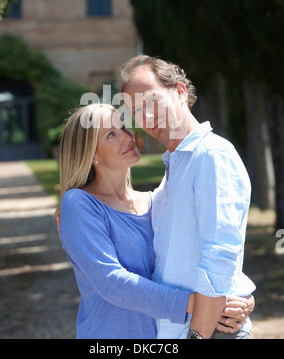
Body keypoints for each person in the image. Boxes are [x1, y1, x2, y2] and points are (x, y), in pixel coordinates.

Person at [58, 103, 249, 339]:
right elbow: (111, 282)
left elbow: (211, 248)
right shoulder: (79, 204)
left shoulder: (156, 200)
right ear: (92, 155)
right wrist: (202, 305)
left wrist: (241, 299)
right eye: (111, 135)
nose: (128, 136)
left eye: (123, 127)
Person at [121, 55, 256, 339]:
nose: (145, 118)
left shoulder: (210, 155)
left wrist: (197, 335)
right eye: (136, 111)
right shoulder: (176, 165)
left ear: (180, 92)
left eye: (152, 102)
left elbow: (220, 254)